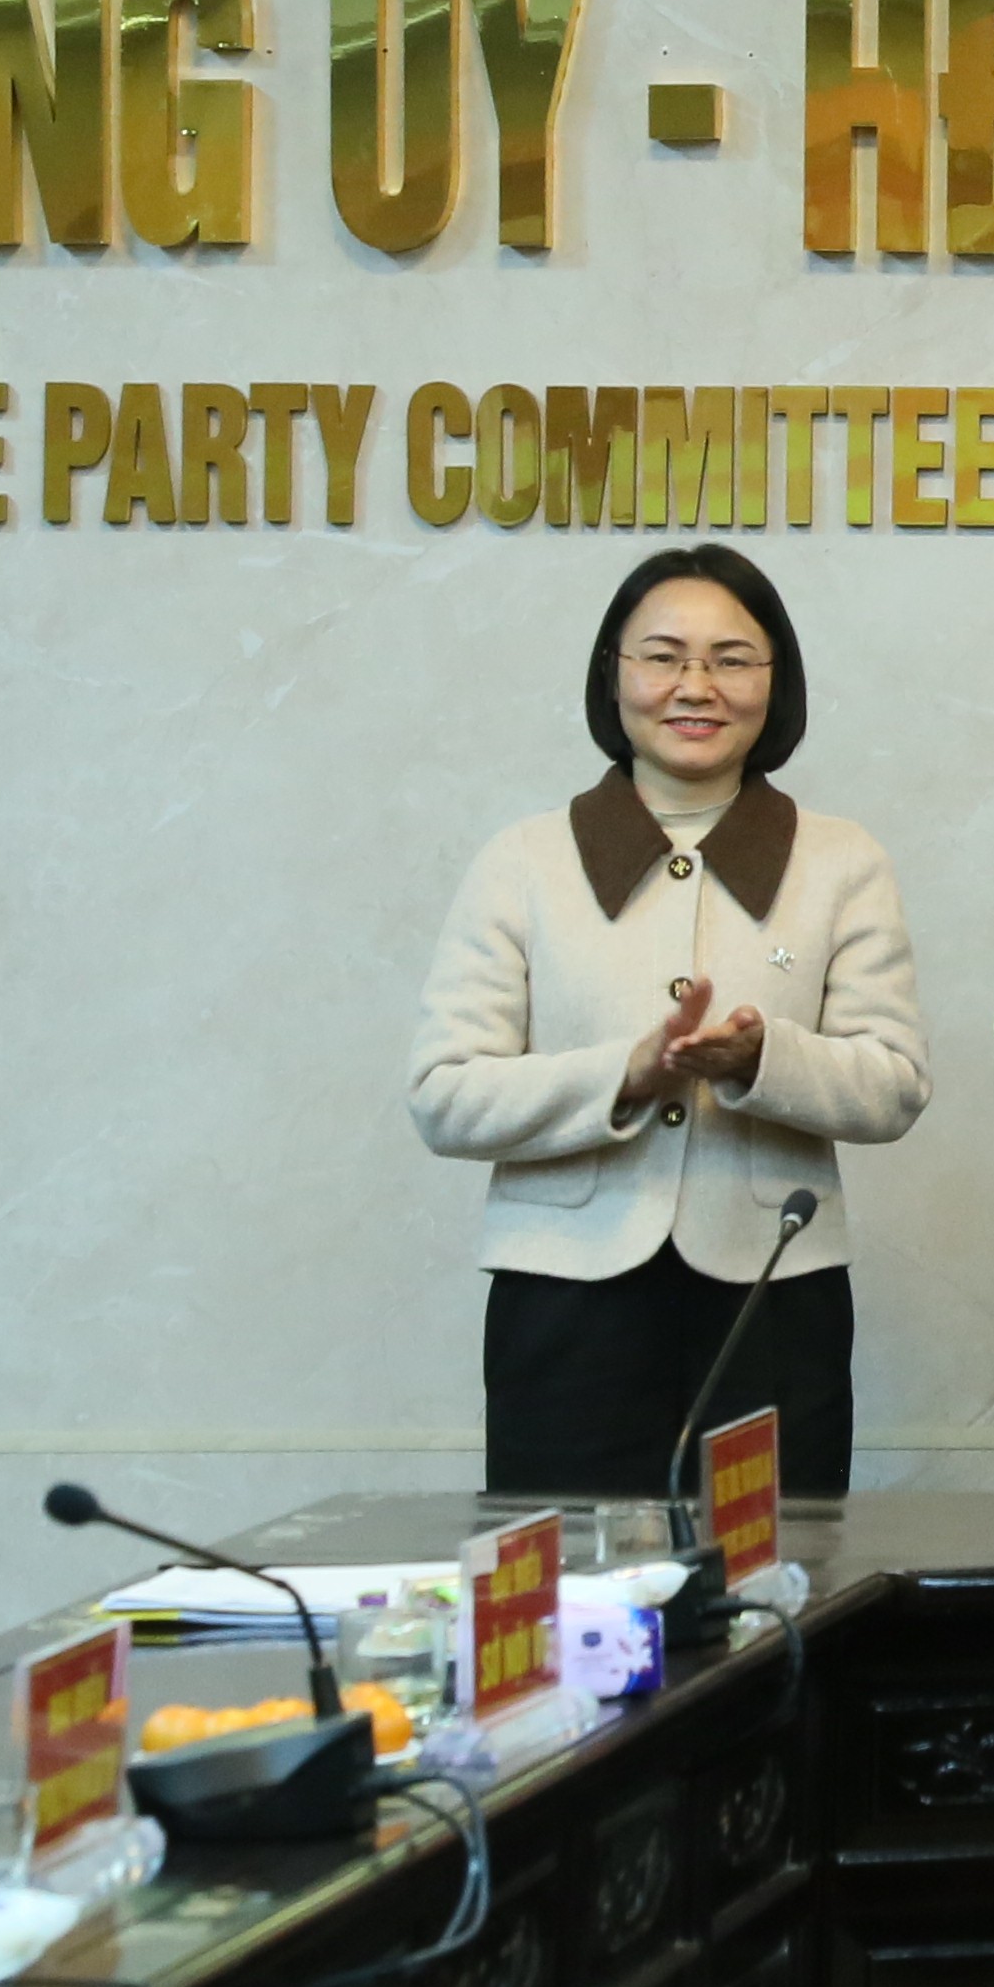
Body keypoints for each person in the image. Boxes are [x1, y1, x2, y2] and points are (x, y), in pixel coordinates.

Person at [411, 543, 927, 1500]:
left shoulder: (841, 861)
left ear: (776, 681)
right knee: (575, 1575)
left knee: (776, 1570)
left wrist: (760, 1061)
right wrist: (626, 1076)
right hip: (564, 1304)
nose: (696, 686)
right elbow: (444, 1096)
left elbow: (893, 1083)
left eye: (732, 659)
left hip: (774, 1298)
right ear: (613, 676)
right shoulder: (523, 861)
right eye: (662, 657)